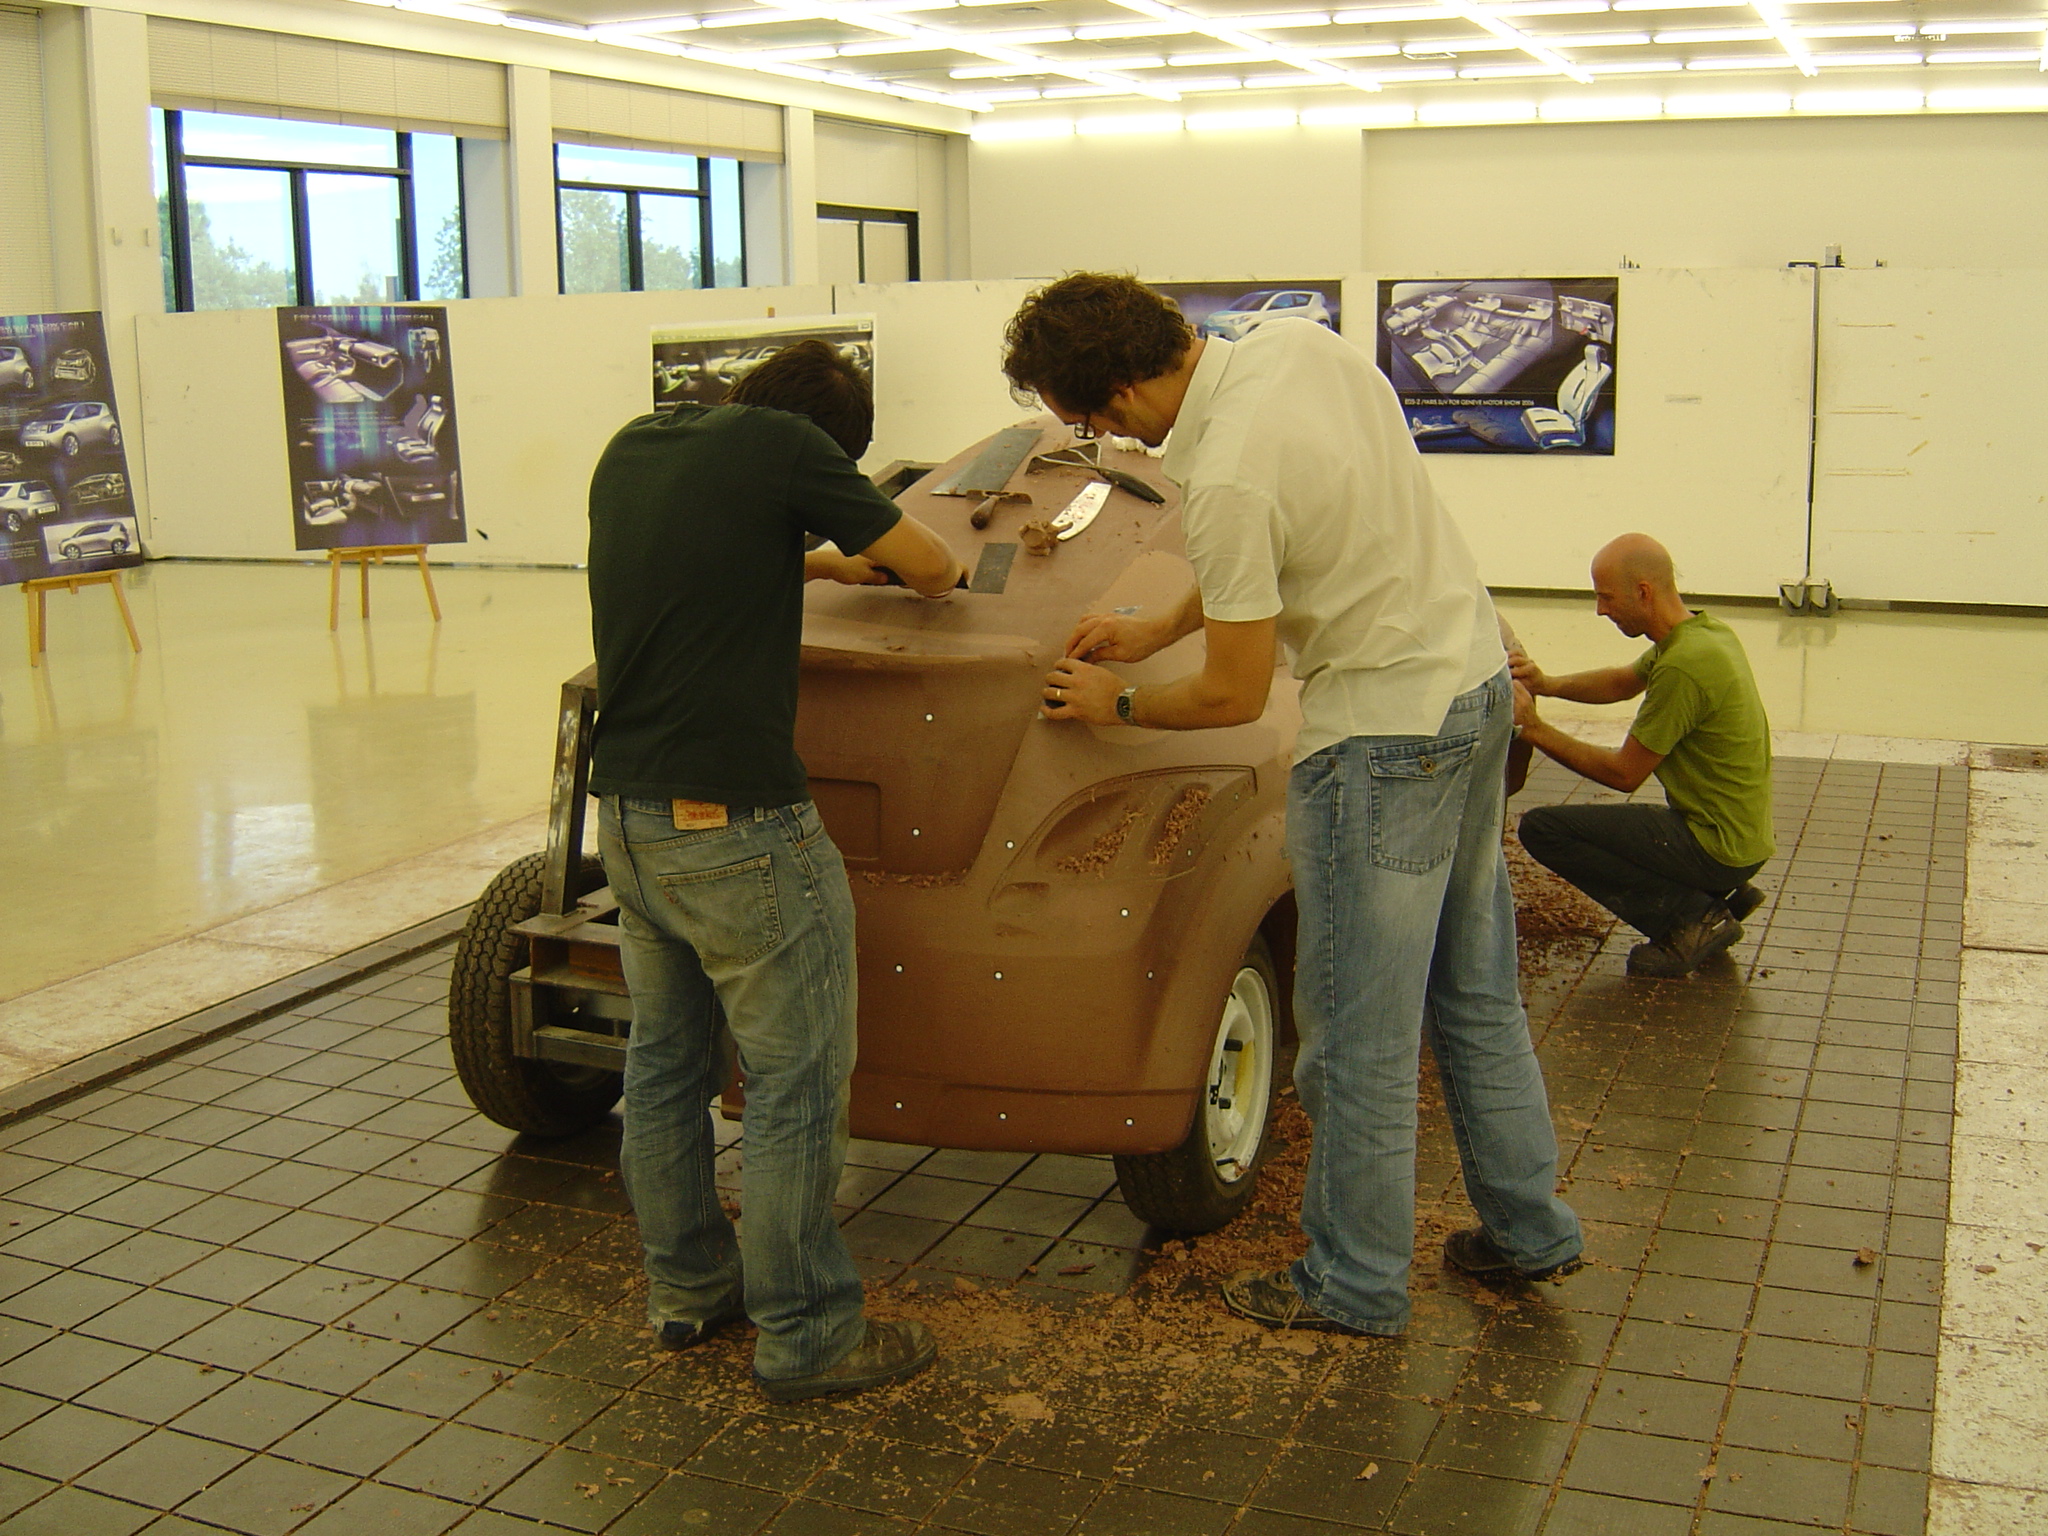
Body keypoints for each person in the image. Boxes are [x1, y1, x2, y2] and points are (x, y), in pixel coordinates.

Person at [1003, 273, 1582, 1337]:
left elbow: (1231, 692)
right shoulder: (1290, 346)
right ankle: (1528, 1230)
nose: (1113, 444)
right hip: (1472, 684)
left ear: (1125, 391)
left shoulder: (1222, 481)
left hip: (1380, 745)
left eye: (1095, 424)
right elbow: (1272, 552)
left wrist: (1115, 696)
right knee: (1472, 993)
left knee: (1351, 1037)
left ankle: (1352, 1283)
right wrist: (1158, 625)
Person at [586, 340, 962, 1400]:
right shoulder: (796, 448)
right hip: (741, 829)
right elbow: (933, 565)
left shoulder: (636, 446)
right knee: (795, 1080)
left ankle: (690, 1291)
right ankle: (806, 1335)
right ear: (834, 441)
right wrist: (878, 546)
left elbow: (695, 557)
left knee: (664, 1067)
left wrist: (817, 562)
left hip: (633, 821)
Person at [1510, 533, 1775, 979]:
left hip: (1717, 846)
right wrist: (1547, 684)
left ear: (1643, 592)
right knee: (1627, 830)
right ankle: (1716, 894)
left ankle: (1691, 920)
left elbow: (1623, 773)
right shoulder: (1703, 634)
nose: (1600, 610)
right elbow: (1621, 682)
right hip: (1742, 836)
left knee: (1545, 829)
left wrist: (1533, 728)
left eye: (1605, 598)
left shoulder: (1683, 666)